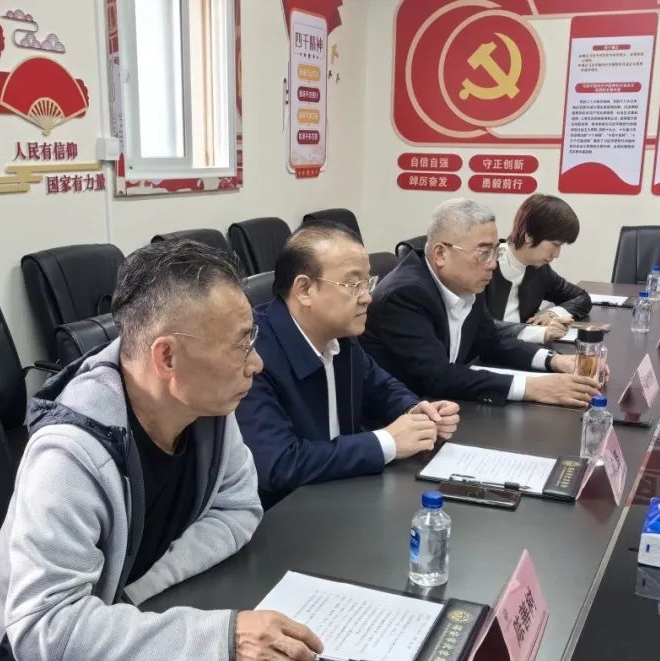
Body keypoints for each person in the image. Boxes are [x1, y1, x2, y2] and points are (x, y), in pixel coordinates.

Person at [0, 240, 323, 661]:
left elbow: (238, 507)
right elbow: (41, 629)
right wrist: (222, 639)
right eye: (241, 344)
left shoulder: (206, 408)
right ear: (167, 357)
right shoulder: (69, 455)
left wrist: (136, 593)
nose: (256, 363)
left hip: (124, 637)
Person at [238, 222, 460, 508]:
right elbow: (279, 464)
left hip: (343, 493)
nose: (367, 297)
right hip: (287, 514)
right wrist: (387, 442)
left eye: (368, 282)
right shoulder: (252, 355)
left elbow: (382, 388)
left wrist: (415, 410)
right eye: (353, 284)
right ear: (304, 289)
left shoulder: (340, 336)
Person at [361, 198, 601, 408]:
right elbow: (437, 376)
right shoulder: (405, 294)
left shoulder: (467, 282)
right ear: (440, 254)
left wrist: (553, 360)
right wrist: (532, 387)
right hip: (403, 416)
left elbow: (491, 341)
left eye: (495, 252)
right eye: (483, 252)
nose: (492, 264)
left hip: (445, 407)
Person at [485, 193, 591, 343]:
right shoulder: (485, 266)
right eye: (555, 244)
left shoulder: (539, 270)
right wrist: (538, 333)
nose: (557, 254)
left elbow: (581, 297)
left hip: (520, 350)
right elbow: (480, 325)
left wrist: (553, 313)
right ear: (529, 236)